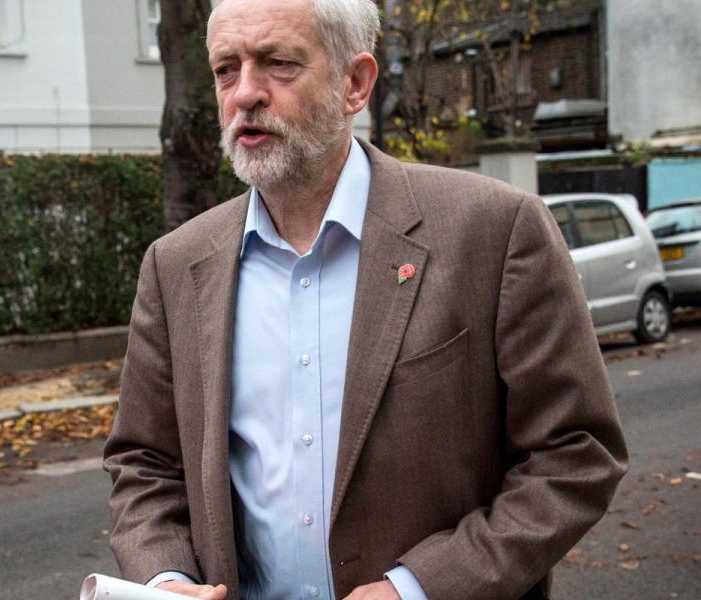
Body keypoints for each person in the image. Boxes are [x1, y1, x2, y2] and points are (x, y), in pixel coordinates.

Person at [103, 0, 628, 598]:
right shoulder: (175, 264)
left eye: (277, 63)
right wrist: (165, 576)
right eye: (227, 69)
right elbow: (143, 464)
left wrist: (418, 588)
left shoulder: (495, 230)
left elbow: (576, 453)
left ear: (355, 84)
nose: (245, 93)